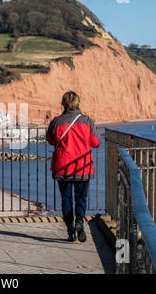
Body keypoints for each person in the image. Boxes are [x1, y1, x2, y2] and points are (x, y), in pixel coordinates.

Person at [46, 91, 101, 242]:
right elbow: (96, 143)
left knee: (66, 199)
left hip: (62, 166)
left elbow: (50, 140)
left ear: (63, 103)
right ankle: (79, 223)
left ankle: (70, 230)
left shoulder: (57, 122)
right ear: (78, 103)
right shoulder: (87, 121)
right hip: (82, 166)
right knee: (81, 197)